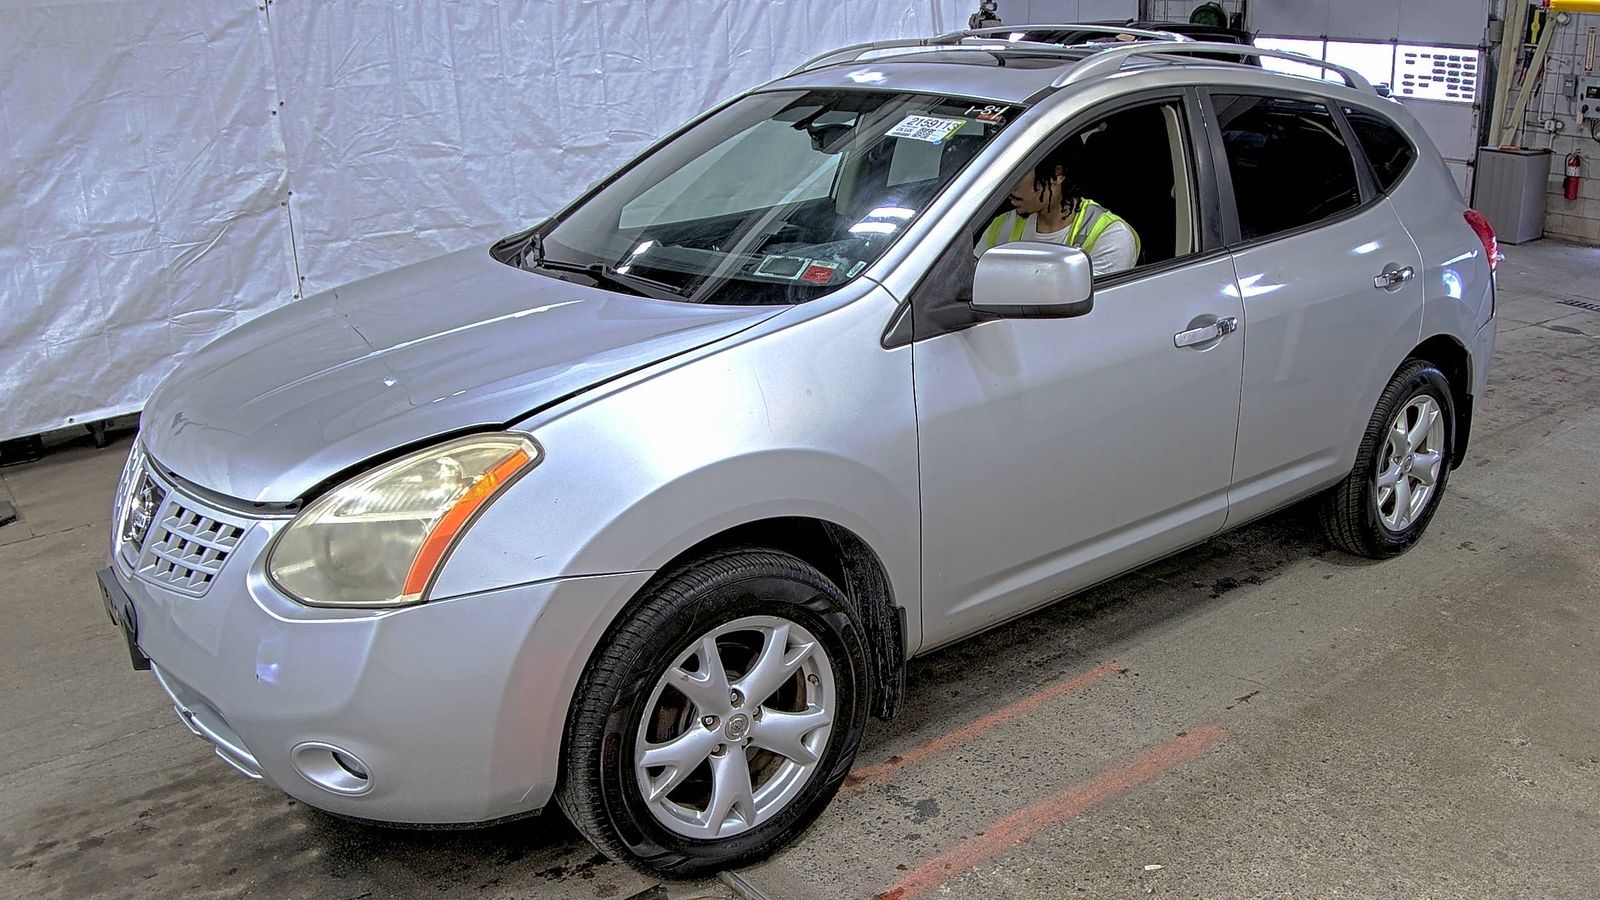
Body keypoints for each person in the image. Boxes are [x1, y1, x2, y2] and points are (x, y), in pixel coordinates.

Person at [974, 148, 1140, 277]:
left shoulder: (1110, 235)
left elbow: (1098, 306)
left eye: (1019, 174)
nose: (1009, 185)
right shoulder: (1002, 225)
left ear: (1057, 175)